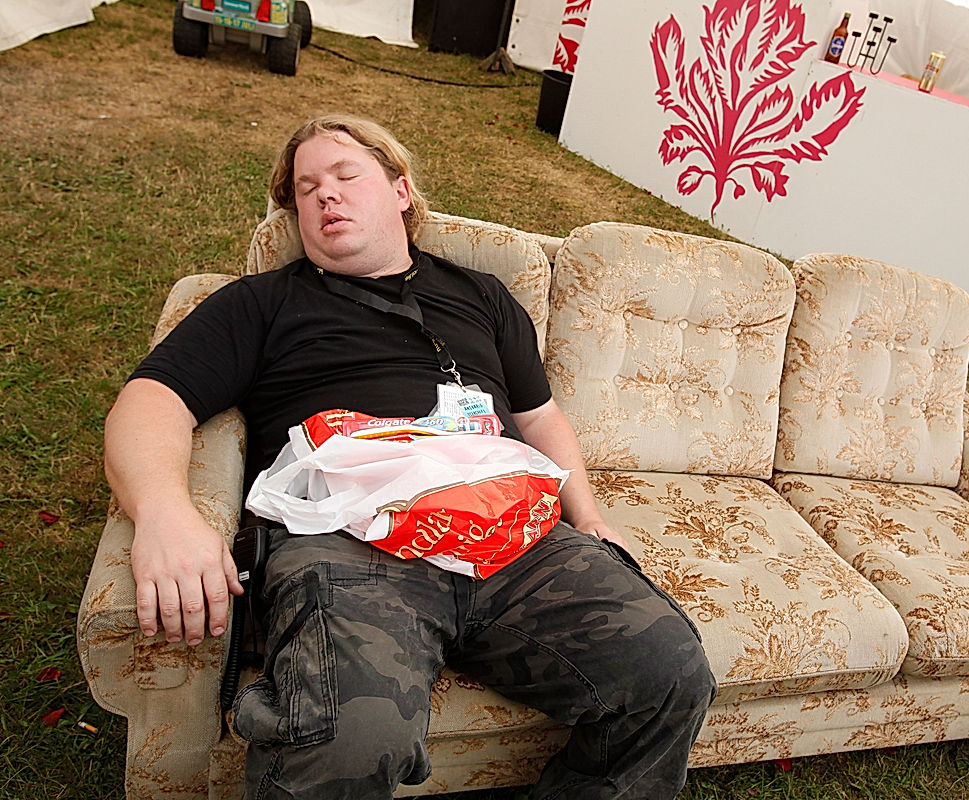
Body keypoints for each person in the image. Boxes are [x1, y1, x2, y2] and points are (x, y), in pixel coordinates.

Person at [104, 114, 715, 800]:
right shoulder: (261, 304)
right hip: (348, 534)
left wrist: (589, 517)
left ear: (400, 191)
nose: (325, 197)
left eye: (344, 176)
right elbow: (150, 402)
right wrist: (163, 514)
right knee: (354, 736)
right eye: (305, 190)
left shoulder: (484, 297)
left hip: (510, 532)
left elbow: (543, 420)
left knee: (670, 671)